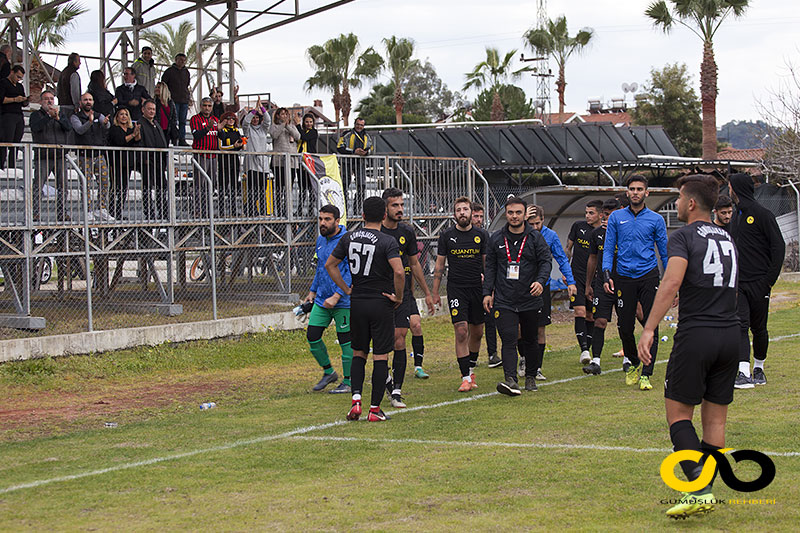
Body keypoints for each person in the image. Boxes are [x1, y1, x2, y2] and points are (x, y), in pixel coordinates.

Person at [637, 174, 739, 519]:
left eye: (679, 198)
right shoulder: (727, 236)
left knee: (678, 416)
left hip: (697, 334)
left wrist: (649, 328)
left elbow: (672, 281)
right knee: (715, 422)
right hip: (731, 334)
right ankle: (704, 491)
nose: (676, 204)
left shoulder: (682, 236)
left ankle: (700, 490)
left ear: (691, 202)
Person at [326, 196, 405, 423]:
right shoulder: (387, 241)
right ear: (383, 216)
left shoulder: (348, 237)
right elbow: (399, 272)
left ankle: (356, 400)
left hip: (357, 302)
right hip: (380, 302)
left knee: (359, 352)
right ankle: (374, 409)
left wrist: (346, 289)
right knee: (381, 355)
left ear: (362, 215)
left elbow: (330, 264)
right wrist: (397, 297)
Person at [603, 175, 668, 391]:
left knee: (651, 324)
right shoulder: (616, 218)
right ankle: (633, 362)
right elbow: (609, 246)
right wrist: (606, 274)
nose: (636, 192)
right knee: (624, 327)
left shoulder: (656, 219)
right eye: (632, 189)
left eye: (640, 189)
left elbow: (665, 253)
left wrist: (670, 281)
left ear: (646, 193)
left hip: (648, 276)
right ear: (627, 192)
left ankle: (646, 375)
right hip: (623, 277)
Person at [483, 197, 552, 395]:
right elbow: (490, 268)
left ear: (524, 215)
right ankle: (510, 379)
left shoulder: (535, 237)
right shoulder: (496, 238)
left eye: (518, 213)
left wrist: (540, 281)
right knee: (509, 338)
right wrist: (487, 293)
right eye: (511, 212)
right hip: (504, 299)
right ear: (506, 213)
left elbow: (546, 262)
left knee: (530, 339)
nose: (514, 216)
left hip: (529, 297)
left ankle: (530, 376)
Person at [727, 173, 785, 388]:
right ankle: (743, 372)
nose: (729, 191)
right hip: (739, 284)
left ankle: (759, 368)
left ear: (737, 189)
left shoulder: (762, 214)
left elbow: (778, 247)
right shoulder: (736, 216)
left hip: (760, 283)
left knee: (759, 328)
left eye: (730, 187)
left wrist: (768, 280)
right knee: (740, 325)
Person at [381, 188, 437, 407]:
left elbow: (414, 264)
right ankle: (385, 377)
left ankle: (396, 391)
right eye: (395, 205)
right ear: (385, 208)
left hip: (402, 294)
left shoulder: (407, 232)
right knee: (382, 343)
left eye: (402, 205)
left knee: (400, 337)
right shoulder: (377, 232)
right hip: (379, 294)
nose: (400, 209)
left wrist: (428, 294)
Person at [432, 197, 487, 392]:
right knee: (461, 331)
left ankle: (471, 368)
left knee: (478, 332)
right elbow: (439, 265)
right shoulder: (447, 236)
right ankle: (465, 377)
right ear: (454, 213)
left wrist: (490, 289)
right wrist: (435, 292)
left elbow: (487, 264)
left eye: (465, 209)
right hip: (456, 289)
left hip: (477, 289)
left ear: (472, 212)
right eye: (458, 210)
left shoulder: (481, 235)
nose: (462, 212)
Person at [304, 205, 353, 393]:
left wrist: (337, 295)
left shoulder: (347, 240)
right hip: (321, 301)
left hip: (343, 302)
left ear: (337, 221)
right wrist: (312, 291)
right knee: (313, 337)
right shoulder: (320, 240)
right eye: (321, 219)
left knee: (345, 342)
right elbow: (321, 268)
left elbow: (350, 272)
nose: (322, 223)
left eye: (327, 219)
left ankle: (348, 382)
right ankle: (329, 372)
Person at [526, 205, 577, 380]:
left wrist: (570, 281)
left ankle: (537, 367)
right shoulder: (520, 234)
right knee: (519, 328)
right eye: (530, 223)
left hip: (542, 287)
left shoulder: (551, 236)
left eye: (537, 223)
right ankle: (524, 359)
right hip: (520, 287)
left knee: (540, 328)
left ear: (543, 220)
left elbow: (562, 259)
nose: (534, 227)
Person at [583, 199, 621, 375]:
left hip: (623, 281)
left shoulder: (626, 232)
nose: (607, 218)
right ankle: (595, 360)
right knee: (600, 320)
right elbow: (592, 258)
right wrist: (588, 284)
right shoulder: (597, 234)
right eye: (605, 215)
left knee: (626, 320)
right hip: (602, 283)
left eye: (611, 214)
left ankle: (629, 357)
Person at [566, 199, 603, 365]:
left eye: (591, 213)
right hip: (576, 277)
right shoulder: (578, 226)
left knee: (591, 316)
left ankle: (589, 346)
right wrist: (566, 270)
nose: (587, 216)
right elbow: (568, 249)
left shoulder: (604, 232)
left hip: (595, 280)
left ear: (600, 215)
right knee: (579, 312)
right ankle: (584, 350)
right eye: (586, 212)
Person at [29, 90, 72, 222]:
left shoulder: (61, 115)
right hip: (43, 156)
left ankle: (62, 212)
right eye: (46, 99)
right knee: (38, 186)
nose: (49, 101)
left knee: (63, 187)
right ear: (41, 102)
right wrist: (48, 116)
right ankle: (35, 212)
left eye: (52, 99)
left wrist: (57, 118)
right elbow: (35, 127)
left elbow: (68, 128)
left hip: (59, 156)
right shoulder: (36, 115)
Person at [70, 93, 112, 219]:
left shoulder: (98, 115)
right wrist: (89, 122)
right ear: (80, 102)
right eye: (85, 100)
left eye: (90, 99)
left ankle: (102, 208)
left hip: (98, 154)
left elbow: (107, 125)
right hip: (84, 155)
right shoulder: (75, 117)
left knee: (104, 182)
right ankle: (87, 210)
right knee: (86, 183)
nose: (88, 102)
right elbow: (79, 130)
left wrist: (105, 123)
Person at [471, 202, 502, 368]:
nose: (479, 219)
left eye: (481, 216)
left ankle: (492, 354)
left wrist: (490, 282)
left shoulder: (484, 235)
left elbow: (489, 261)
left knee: (491, 319)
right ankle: (470, 357)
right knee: (472, 324)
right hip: (468, 285)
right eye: (476, 216)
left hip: (485, 285)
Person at [107, 108, 141, 220]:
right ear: (117, 117)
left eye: (126, 114)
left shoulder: (130, 129)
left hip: (128, 162)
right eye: (121, 114)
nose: (124, 116)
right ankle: (112, 211)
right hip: (116, 162)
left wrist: (137, 133)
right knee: (116, 187)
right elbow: (120, 141)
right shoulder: (114, 129)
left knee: (124, 188)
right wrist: (133, 135)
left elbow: (137, 141)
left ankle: (119, 211)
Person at [241, 97, 273, 216]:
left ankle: (252, 208)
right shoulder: (248, 130)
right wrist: (254, 110)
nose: (255, 119)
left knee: (261, 190)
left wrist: (262, 109)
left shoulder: (263, 130)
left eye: (256, 118)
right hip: (251, 164)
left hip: (263, 164)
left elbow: (268, 121)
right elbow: (245, 122)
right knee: (252, 189)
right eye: (253, 118)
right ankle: (251, 210)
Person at [139, 100, 169, 220]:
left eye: (153, 109)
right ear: (143, 110)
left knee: (162, 188)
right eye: (149, 109)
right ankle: (149, 213)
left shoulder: (156, 124)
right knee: (147, 188)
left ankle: (163, 213)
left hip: (159, 162)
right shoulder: (141, 124)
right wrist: (145, 159)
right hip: (148, 162)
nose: (151, 111)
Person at [190, 97, 219, 217]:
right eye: (205, 105)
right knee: (199, 184)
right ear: (201, 106)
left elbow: (220, 135)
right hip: (201, 155)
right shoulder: (195, 119)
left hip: (213, 156)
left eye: (209, 106)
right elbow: (196, 135)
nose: (207, 108)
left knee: (210, 184)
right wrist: (207, 128)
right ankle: (198, 209)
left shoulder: (215, 120)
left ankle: (208, 210)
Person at [336, 117, 372, 214]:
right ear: (354, 124)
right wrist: (353, 152)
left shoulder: (367, 136)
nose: (359, 126)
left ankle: (357, 210)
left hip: (360, 163)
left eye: (361, 125)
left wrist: (366, 152)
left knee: (361, 186)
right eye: (358, 124)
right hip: (347, 163)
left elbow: (371, 148)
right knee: (344, 185)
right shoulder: (346, 134)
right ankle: (344, 210)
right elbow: (339, 147)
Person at [269, 107, 300, 217]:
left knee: (289, 187)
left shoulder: (292, 126)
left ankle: (288, 210)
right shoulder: (274, 126)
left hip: (291, 162)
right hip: (279, 162)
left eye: (286, 114)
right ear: (277, 116)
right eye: (282, 114)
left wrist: (288, 126)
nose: (285, 116)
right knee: (279, 188)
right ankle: (279, 211)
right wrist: (282, 125)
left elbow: (298, 136)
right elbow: (274, 135)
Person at [217, 111, 244, 217]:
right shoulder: (222, 131)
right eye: (228, 119)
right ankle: (221, 211)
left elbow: (238, 145)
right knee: (223, 186)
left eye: (232, 119)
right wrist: (233, 146)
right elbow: (220, 147)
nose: (231, 121)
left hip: (234, 160)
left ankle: (233, 210)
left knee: (233, 186)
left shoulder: (236, 131)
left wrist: (241, 144)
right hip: (224, 160)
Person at [0, 65, 27, 168]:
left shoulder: (19, 86)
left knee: (16, 142)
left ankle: (12, 166)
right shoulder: (3, 83)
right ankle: (1, 165)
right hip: (7, 114)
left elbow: (23, 101)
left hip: (18, 114)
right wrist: (15, 99)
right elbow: (1, 99)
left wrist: (25, 100)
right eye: (17, 76)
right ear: (12, 72)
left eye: (20, 78)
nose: (18, 79)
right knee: (6, 141)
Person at [161, 53, 191, 145]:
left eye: (184, 60)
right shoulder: (169, 71)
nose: (182, 62)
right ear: (176, 60)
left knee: (182, 121)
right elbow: (164, 84)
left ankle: (182, 139)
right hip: (173, 100)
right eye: (180, 60)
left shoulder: (186, 72)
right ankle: (173, 138)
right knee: (173, 121)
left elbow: (187, 85)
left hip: (184, 100)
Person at [295, 112, 319, 216]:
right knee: (302, 188)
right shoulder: (301, 131)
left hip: (309, 161)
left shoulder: (313, 132)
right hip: (300, 161)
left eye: (310, 122)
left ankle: (310, 209)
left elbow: (304, 137)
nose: (309, 124)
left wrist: (297, 125)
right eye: (307, 122)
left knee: (311, 187)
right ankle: (300, 209)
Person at [57, 52, 81, 118]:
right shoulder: (73, 74)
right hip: (70, 106)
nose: (80, 63)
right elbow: (75, 91)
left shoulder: (63, 73)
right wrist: (77, 105)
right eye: (78, 61)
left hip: (62, 105)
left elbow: (58, 90)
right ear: (74, 62)